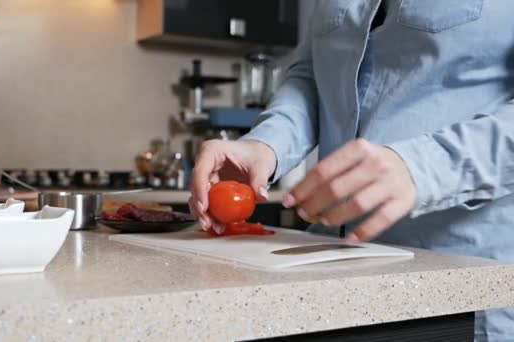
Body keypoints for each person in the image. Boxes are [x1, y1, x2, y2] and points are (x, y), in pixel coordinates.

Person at [188, 1, 514, 341]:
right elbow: (311, 78)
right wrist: (265, 144)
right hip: (338, 272)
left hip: (466, 283)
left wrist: (422, 167)